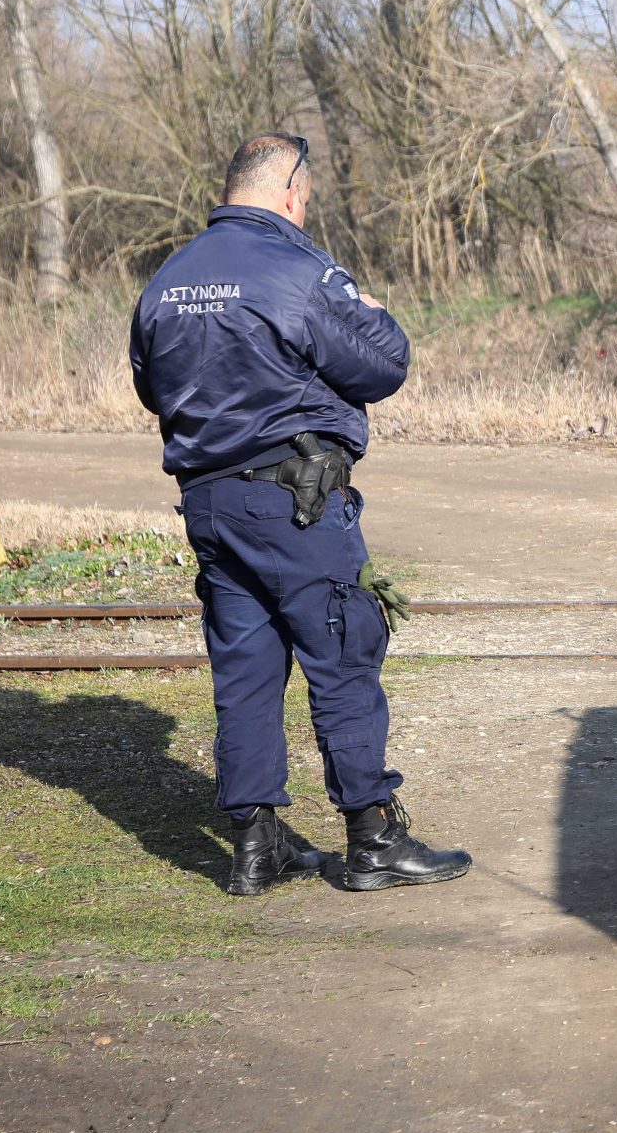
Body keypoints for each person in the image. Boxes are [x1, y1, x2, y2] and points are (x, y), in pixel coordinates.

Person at [129, 134, 470, 897]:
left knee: (245, 669)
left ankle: (255, 846)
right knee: (344, 648)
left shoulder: (166, 281)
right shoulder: (297, 269)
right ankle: (373, 836)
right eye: (306, 198)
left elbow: (153, 388)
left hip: (209, 504)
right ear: (288, 190)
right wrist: (375, 313)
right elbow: (384, 365)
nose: (305, 211)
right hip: (296, 501)